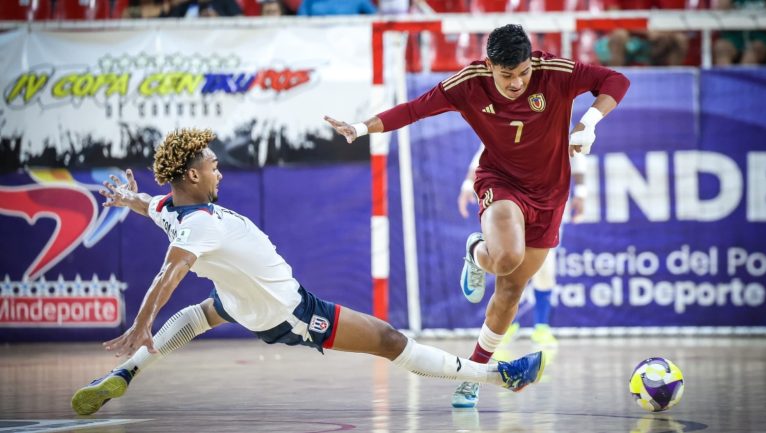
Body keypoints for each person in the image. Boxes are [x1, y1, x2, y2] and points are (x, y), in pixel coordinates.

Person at [70, 128, 544, 416]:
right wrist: (140, 323)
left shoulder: (172, 208)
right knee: (389, 341)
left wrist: (127, 199)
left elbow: (150, 206)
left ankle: (123, 375)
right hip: (289, 312)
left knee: (201, 314)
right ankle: (500, 376)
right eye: (214, 167)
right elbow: (167, 274)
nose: (219, 174)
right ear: (193, 176)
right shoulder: (198, 228)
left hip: (242, 304)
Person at [324, 24, 629, 409]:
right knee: (505, 258)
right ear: (490, 66)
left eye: (522, 73)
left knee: (511, 290)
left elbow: (615, 79)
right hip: (501, 182)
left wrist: (590, 121)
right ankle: (478, 251)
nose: (517, 83)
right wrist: (361, 127)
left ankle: (474, 372)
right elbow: (414, 109)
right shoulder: (469, 83)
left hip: (550, 195)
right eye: (507, 75)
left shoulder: (554, 72)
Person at [457, 144, 588, 346]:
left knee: (545, 268)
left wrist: (581, 193)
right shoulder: (508, 116)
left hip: (547, 203)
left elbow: (577, 157)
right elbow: (483, 152)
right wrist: (467, 185)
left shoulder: (558, 120)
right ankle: (507, 327)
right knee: (509, 263)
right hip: (512, 200)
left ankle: (542, 328)